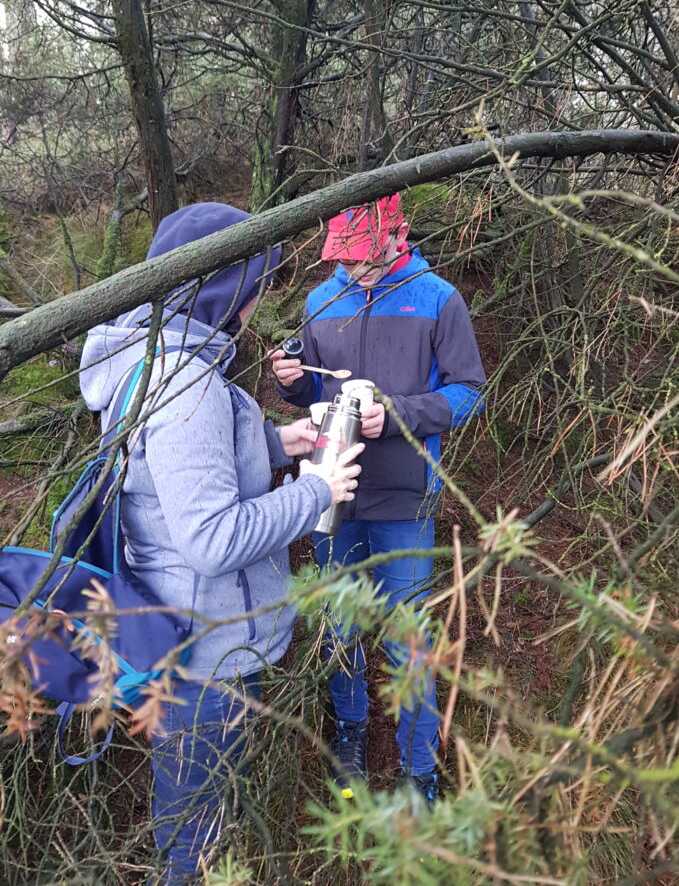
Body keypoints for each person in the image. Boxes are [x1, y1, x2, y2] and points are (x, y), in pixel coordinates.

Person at [80, 202, 364, 885]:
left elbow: (164, 472)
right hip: (209, 649)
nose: (263, 298)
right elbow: (210, 537)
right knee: (201, 834)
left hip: (175, 628)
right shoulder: (190, 388)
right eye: (257, 282)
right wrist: (316, 491)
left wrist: (274, 443)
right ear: (223, 288)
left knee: (185, 805)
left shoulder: (152, 358)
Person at [271, 193, 485, 804]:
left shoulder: (437, 298)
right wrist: (293, 379)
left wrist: (396, 415)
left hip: (404, 496)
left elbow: (470, 392)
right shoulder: (321, 299)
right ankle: (351, 733)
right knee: (339, 626)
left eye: (367, 260)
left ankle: (419, 768)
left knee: (405, 636)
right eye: (348, 260)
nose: (357, 271)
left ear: (398, 236)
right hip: (330, 494)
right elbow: (311, 391)